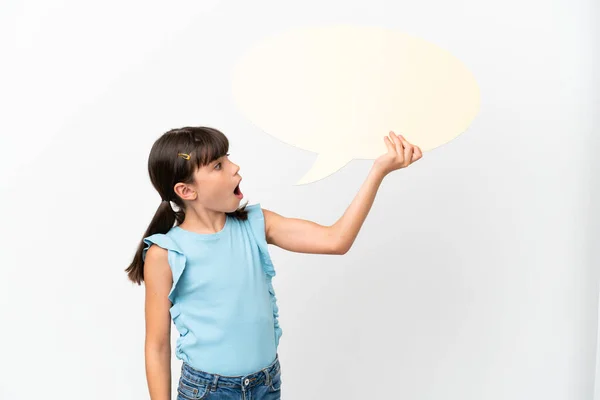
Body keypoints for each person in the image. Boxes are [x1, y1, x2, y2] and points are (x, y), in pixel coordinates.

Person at [125, 126, 422, 400]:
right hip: (207, 391)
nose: (234, 167)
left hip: (265, 384)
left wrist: (377, 172)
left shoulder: (257, 224)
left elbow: (336, 240)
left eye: (227, 158)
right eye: (218, 165)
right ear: (186, 191)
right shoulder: (166, 252)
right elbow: (157, 346)